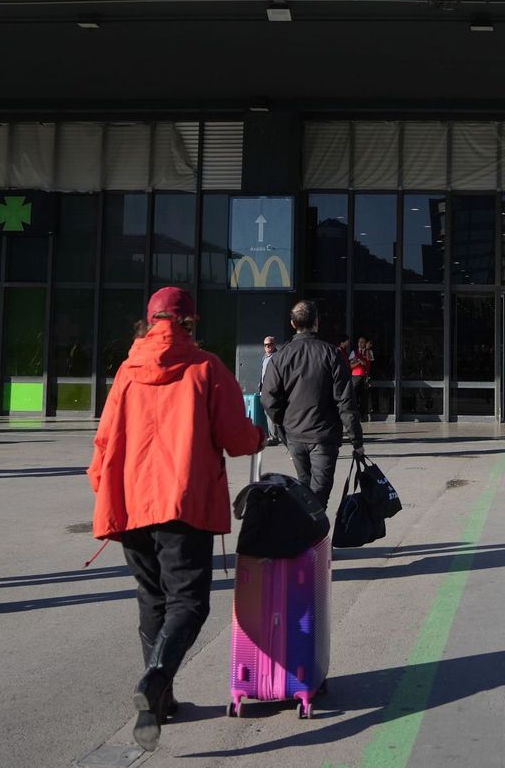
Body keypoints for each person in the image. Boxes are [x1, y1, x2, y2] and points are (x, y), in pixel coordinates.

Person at [89, 286, 265, 751]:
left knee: (151, 597)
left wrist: (107, 490)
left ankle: (162, 699)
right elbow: (236, 437)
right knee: (189, 601)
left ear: (149, 322)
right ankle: (156, 679)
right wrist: (258, 436)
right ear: (189, 322)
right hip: (182, 502)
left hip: (130, 504)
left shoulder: (126, 372)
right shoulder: (207, 368)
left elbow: (103, 442)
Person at [262, 300, 365, 512]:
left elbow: (269, 399)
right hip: (324, 437)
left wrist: (284, 431)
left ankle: (308, 539)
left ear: (293, 323)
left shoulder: (280, 357)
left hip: (296, 436)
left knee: (307, 490)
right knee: (319, 495)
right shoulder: (332, 354)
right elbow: (345, 401)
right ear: (316, 322)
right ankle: (312, 541)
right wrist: (357, 440)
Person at [350, 336, 374, 416]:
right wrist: (359, 361)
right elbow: (350, 366)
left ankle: (363, 415)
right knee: (355, 396)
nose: (360, 344)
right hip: (355, 377)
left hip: (365, 377)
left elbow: (368, 360)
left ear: (366, 343)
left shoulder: (369, 352)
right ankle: (356, 415)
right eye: (359, 342)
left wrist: (367, 349)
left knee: (364, 397)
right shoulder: (354, 352)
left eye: (363, 342)